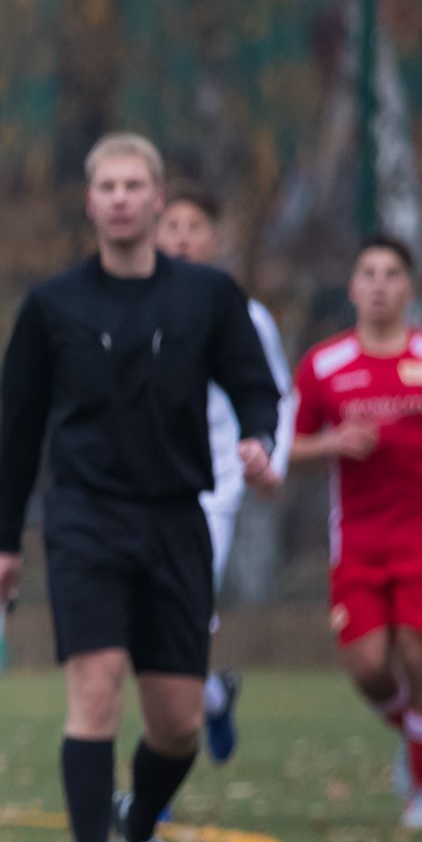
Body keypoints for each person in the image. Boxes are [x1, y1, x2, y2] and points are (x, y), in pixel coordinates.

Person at [0, 136, 280, 842]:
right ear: (90, 203)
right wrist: (4, 541)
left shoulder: (207, 298)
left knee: (179, 722)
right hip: (83, 518)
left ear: (159, 201)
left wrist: (260, 439)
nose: (119, 198)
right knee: (96, 685)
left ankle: (140, 829)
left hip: (174, 519)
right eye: (106, 186)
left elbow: (256, 386)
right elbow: (19, 429)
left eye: (133, 185)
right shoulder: (53, 305)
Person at [288, 236, 422, 832]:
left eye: (391, 274)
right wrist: (333, 442)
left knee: (415, 651)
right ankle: (416, 737)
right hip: (357, 537)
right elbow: (290, 446)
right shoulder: (323, 366)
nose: (379, 284)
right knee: (367, 668)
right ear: (352, 288)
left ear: (409, 287)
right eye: (368, 273)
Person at [152, 184, 296, 764]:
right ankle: (211, 697)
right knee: (148, 630)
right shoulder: (128, 301)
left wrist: (270, 461)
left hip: (211, 489)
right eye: (172, 226)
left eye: (195, 226)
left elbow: (277, 396)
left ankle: (155, 780)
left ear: (215, 240)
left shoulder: (242, 313)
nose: (183, 236)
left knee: (175, 619)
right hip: (136, 490)